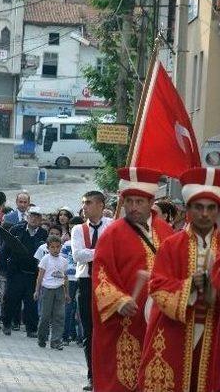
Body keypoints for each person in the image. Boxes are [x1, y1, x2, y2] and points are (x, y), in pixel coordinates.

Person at [91, 167, 174, 392]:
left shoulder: (167, 233)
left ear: (151, 201)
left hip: (159, 321)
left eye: (139, 201)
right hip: (125, 322)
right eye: (129, 201)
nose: (134, 207)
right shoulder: (112, 234)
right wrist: (119, 300)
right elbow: (101, 275)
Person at [138, 167, 220, 391]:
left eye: (210, 208)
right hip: (177, 329)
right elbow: (157, 284)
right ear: (188, 211)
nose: (204, 213)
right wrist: (190, 286)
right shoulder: (172, 246)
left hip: (214, 331)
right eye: (198, 207)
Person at [71, 190, 113, 391]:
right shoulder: (78, 229)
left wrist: (95, 253)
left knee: (107, 330)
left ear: (100, 206)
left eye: (88, 202)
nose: (84, 206)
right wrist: (102, 251)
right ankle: (93, 377)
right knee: (89, 331)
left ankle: (108, 375)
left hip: (108, 283)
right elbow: (78, 255)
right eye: (83, 202)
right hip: (86, 282)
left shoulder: (112, 226)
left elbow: (116, 253)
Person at [2, 206, 48, 337]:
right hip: (16, 271)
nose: (34, 218)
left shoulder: (44, 234)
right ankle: (7, 323)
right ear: (28, 217)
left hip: (33, 273)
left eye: (37, 216)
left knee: (31, 302)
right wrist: (4, 267)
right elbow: (6, 248)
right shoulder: (17, 229)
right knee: (11, 298)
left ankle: (31, 329)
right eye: (32, 216)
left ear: (40, 219)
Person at [34, 235, 69, 350]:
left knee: (59, 316)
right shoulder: (45, 259)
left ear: (61, 247)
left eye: (57, 247)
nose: (55, 249)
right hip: (47, 289)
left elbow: (66, 278)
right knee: (45, 316)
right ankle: (42, 337)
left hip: (59, 289)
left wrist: (67, 293)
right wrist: (37, 291)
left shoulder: (63, 261)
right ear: (48, 248)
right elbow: (40, 276)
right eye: (52, 247)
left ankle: (56, 341)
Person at [62, 216, 84, 345]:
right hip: (70, 278)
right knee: (68, 307)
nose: (73, 230)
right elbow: (63, 261)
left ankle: (80, 337)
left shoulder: (84, 242)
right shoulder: (66, 244)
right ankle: (67, 335)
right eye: (71, 228)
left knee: (80, 308)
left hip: (81, 276)